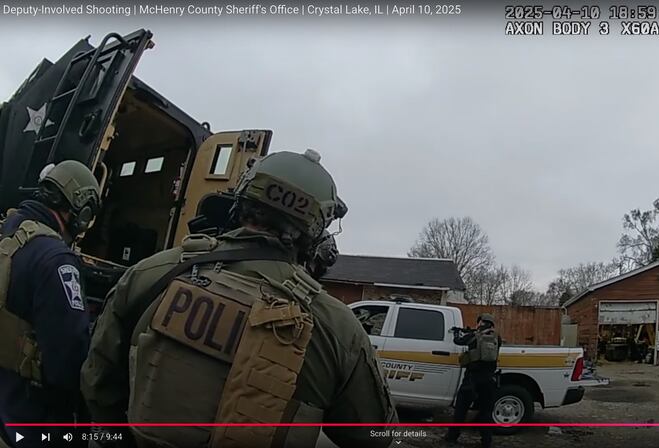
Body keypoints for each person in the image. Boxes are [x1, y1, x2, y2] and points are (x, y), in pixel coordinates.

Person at [81, 149, 397, 448]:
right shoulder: (336, 328)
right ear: (314, 231)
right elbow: (375, 436)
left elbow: (97, 383)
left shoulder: (153, 272)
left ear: (242, 199)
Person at [0, 161, 101, 446]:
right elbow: (68, 358)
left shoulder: (6, 231)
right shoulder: (56, 260)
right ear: (82, 212)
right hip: (25, 420)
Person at [446, 313, 502, 448]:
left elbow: (458, 341)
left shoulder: (473, 337)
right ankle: (486, 441)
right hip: (489, 380)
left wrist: (456, 333)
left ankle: (452, 437)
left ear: (481, 322)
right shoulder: (496, 338)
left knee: (461, 410)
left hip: (472, 380)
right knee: (486, 412)